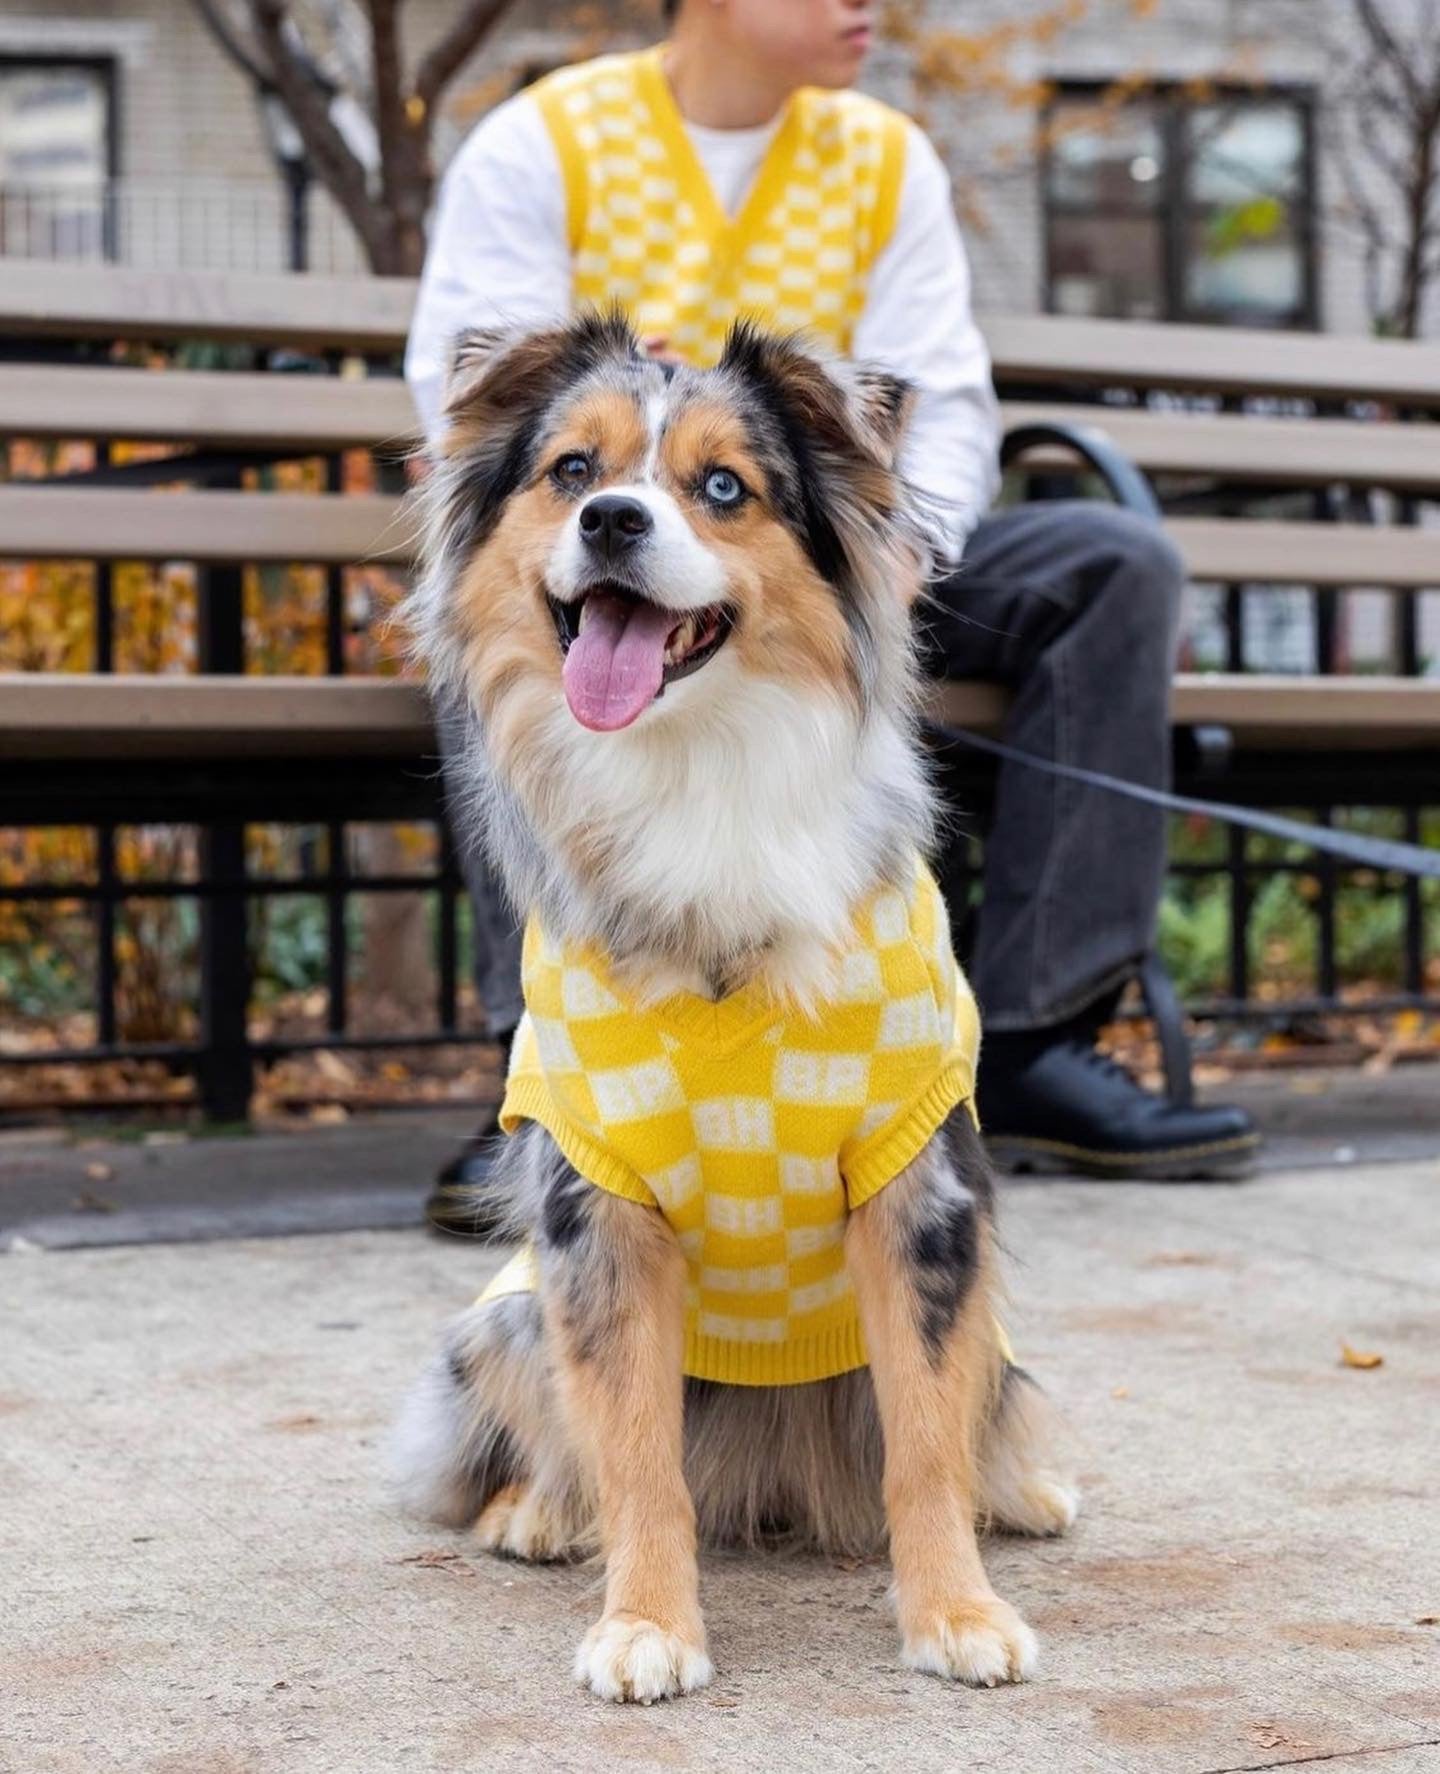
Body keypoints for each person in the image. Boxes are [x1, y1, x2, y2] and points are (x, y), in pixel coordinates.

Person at [405, 0, 1259, 1230]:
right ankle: (546, 1073)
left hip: (829, 560)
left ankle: (1034, 1045)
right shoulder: (542, 142)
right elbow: (469, 411)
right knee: (507, 616)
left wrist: (897, 555)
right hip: (600, 549)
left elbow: (947, 406)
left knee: (1111, 563)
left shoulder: (884, 156)